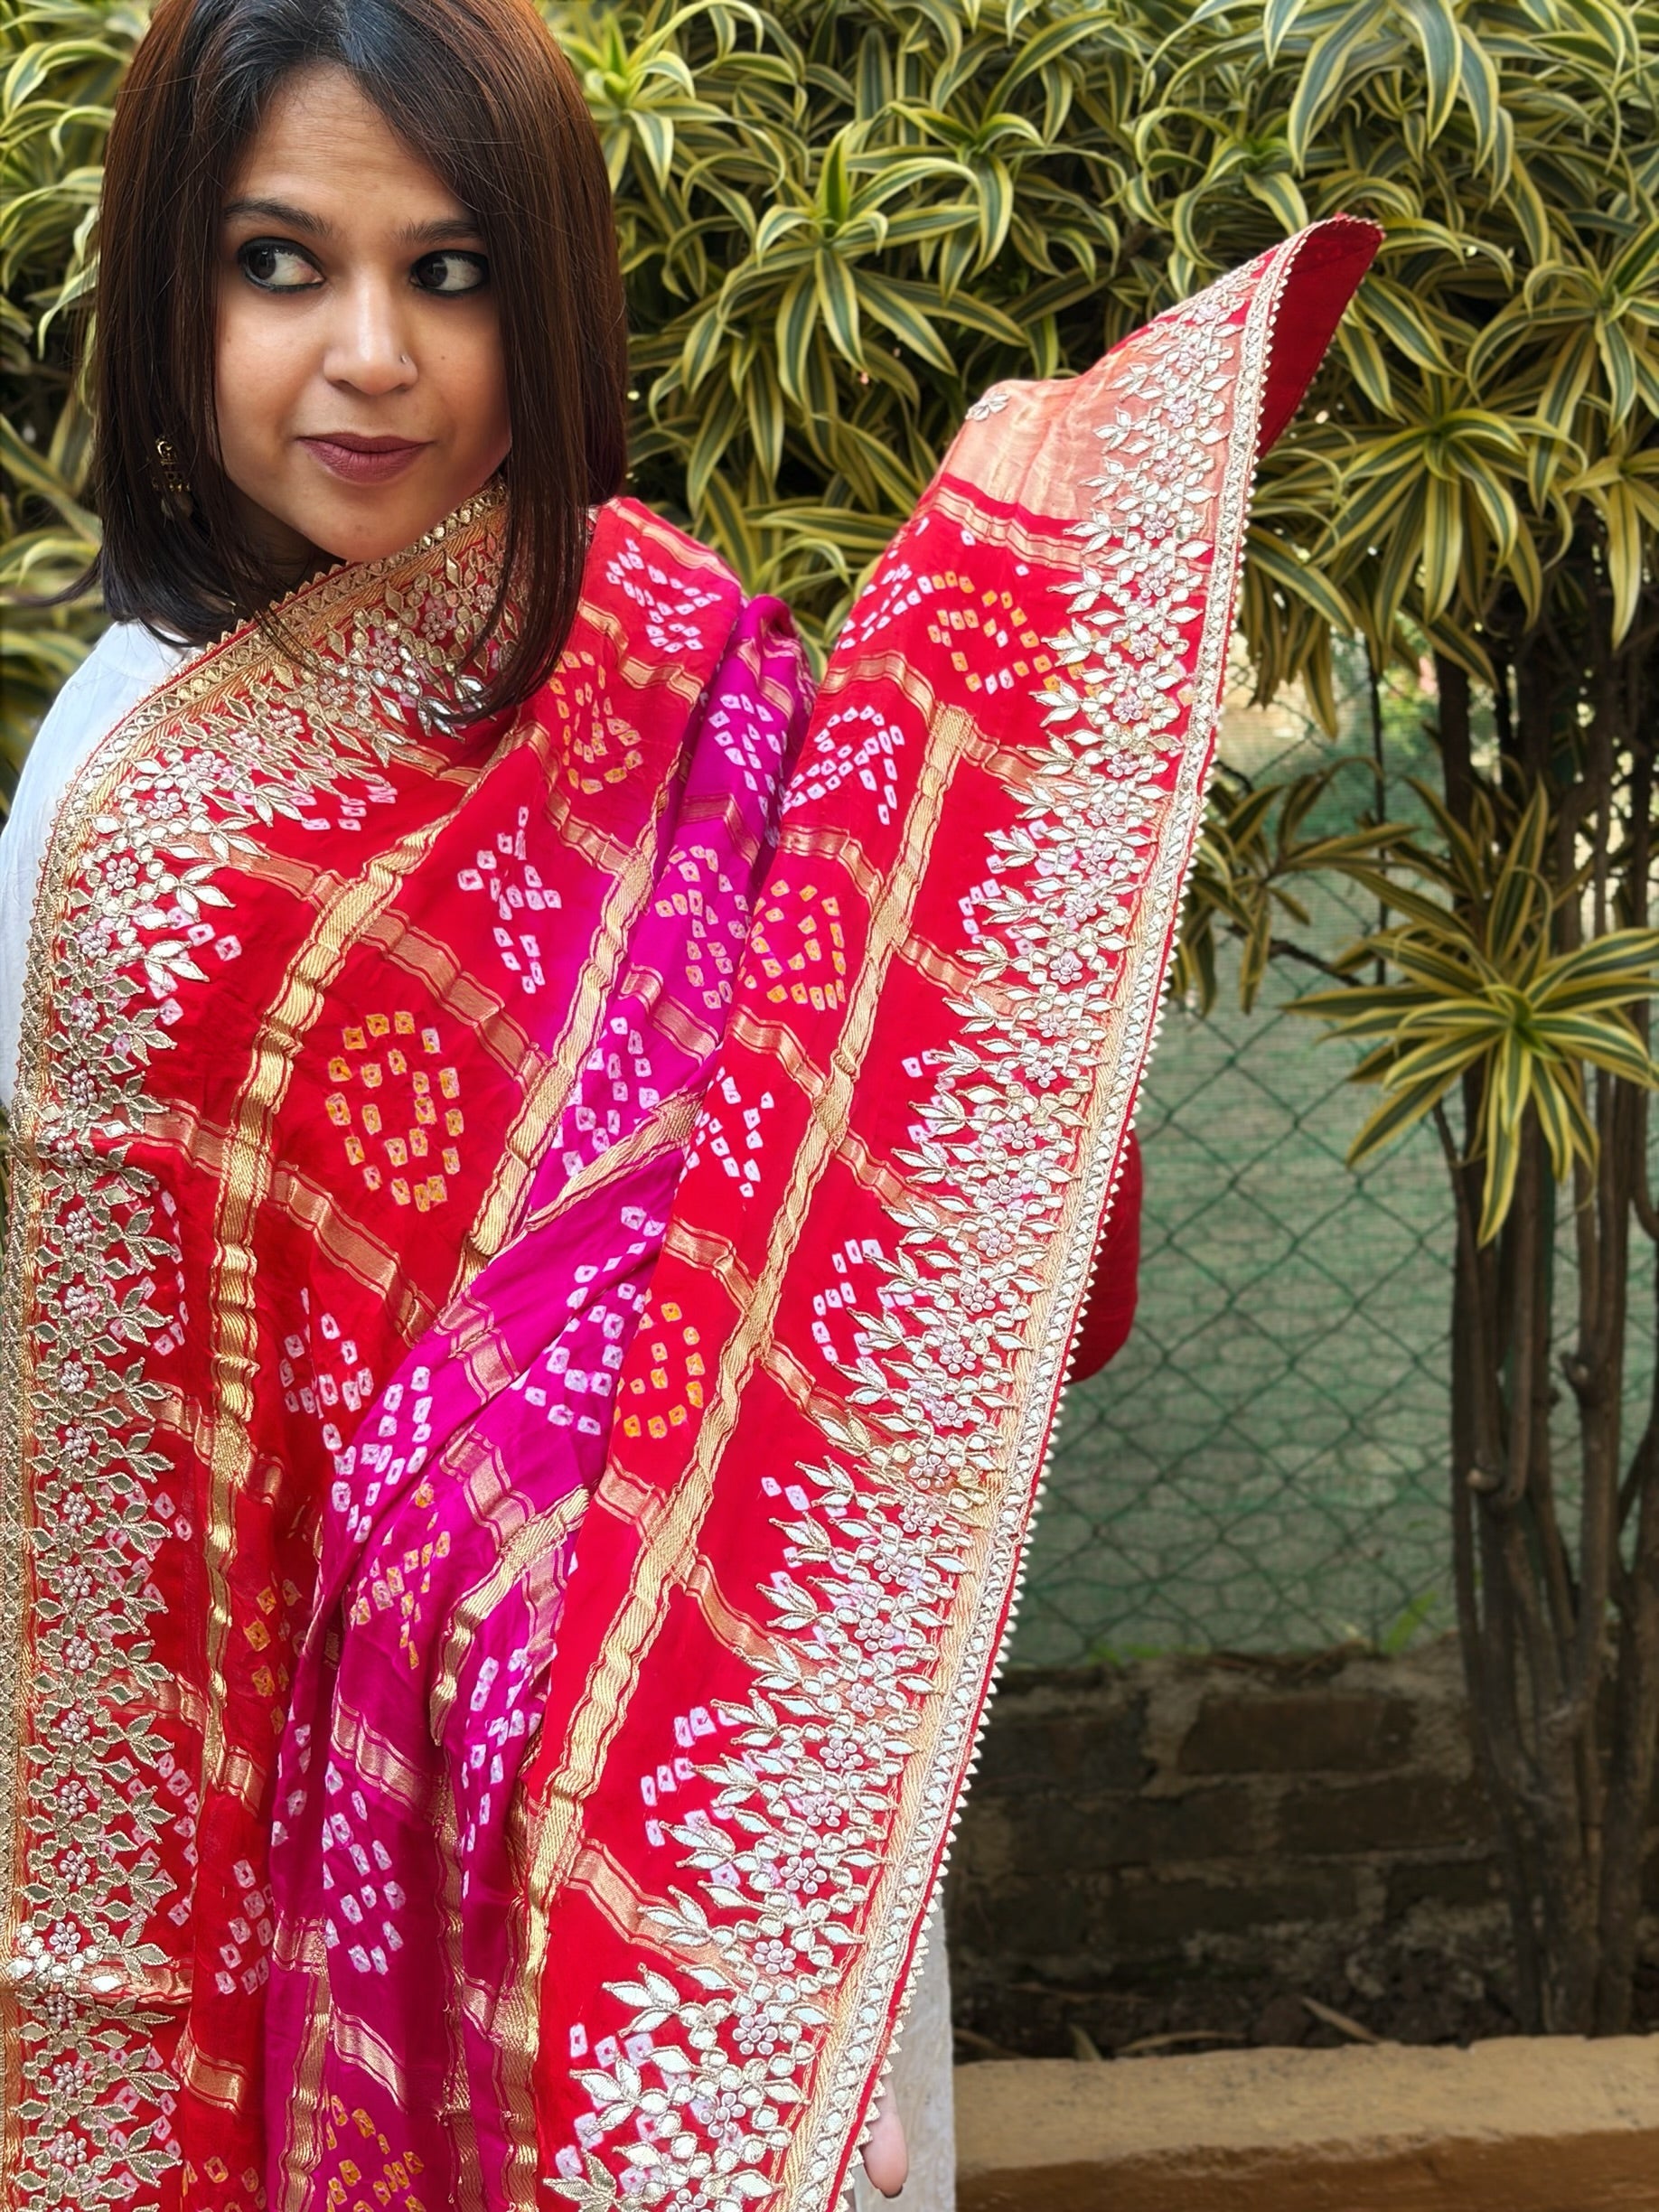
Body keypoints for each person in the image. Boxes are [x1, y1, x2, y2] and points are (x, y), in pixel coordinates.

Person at [0, 1, 1378, 2204]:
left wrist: (1026, 851)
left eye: (453, 272)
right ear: (171, 280)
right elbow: (133, 1528)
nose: (370, 355)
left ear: (547, 298)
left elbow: (896, 1171)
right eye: (281, 264)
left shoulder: (662, 649)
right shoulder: (130, 834)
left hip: (741, 1800)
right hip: (352, 1897)